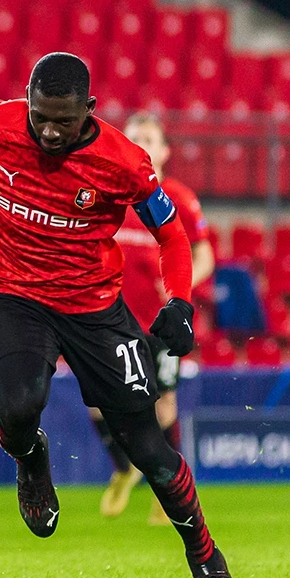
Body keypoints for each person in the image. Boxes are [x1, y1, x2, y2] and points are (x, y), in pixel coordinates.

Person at [0, 52, 239, 578]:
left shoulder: (125, 162)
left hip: (94, 306)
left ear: (88, 110)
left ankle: (206, 559)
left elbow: (174, 237)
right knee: (21, 404)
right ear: (27, 98)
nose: (47, 130)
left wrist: (182, 302)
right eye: (40, 116)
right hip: (13, 294)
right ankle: (31, 459)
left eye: (62, 121)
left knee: (149, 447)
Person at [95, 113, 215, 523]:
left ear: (164, 151)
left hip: (159, 323)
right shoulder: (110, 194)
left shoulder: (178, 198)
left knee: (163, 404)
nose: (141, 143)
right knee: (95, 402)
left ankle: (169, 491)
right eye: (134, 137)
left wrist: (181, 287)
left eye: (149, 138)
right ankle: (123, 467)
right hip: (109, 317)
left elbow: (203, 255)